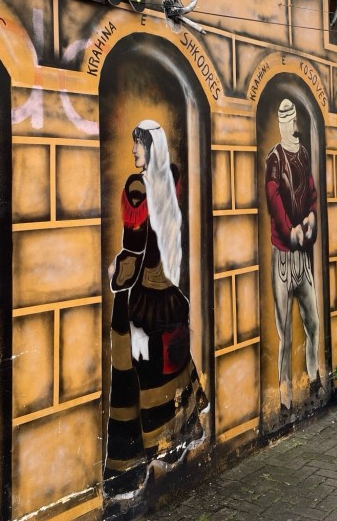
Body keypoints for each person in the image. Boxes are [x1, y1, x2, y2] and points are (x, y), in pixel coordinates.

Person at [103, 120, 209, 500]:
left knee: (134, 380)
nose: (133, 151)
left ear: (150, 148)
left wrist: (115, 273)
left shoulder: (138, 188)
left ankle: (133, 464)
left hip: (139, 299)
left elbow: (133, 250)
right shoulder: (169, 182)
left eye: (138, 145)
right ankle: (176, 438)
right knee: (171, 367)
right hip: (168, 295)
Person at [265, 98, 322, 409]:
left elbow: (311, 192)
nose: (289, 125)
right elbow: (273, 198)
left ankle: (313, 377)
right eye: (284, 120)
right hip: (283, 257)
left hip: (302, 258)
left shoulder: (303, 155)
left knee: (313, 322)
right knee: (284, 333)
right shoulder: (274, 159)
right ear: (279, 124)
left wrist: (311, 216)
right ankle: (285, 396)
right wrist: (290, 230)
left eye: (292, 119)